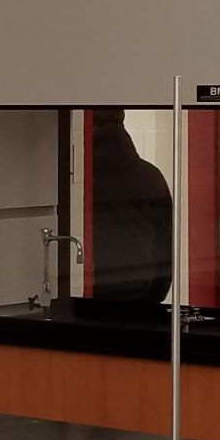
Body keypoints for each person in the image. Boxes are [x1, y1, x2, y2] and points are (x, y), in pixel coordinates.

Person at [88, 110, 174, 304]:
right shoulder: (150, 176)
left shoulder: (76, 180)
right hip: (139, 292)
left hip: (87, 294)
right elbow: (165, 248)